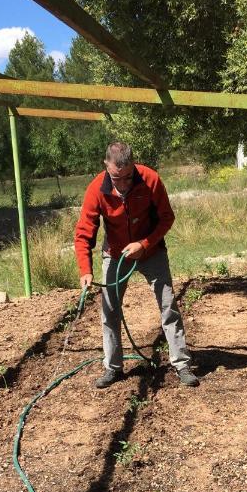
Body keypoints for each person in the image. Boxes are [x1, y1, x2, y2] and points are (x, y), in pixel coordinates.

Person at [74, 141, 199, 389]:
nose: (122, 185)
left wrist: (145, 244)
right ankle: (113, 368)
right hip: (116, 254)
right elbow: (84, 232)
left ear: (134, 166)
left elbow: (166, 218)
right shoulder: (97, 189)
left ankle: (182, 364)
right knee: (109, 310)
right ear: (106, 166)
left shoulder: (150, 179)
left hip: (151, 251)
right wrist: (85, 270)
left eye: (128, 177)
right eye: (116, 178)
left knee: (168, 306)